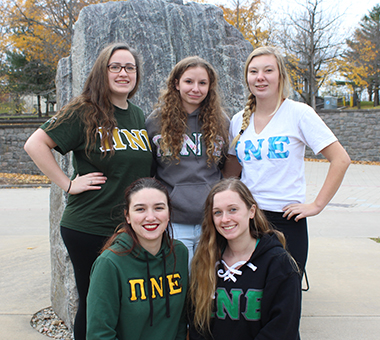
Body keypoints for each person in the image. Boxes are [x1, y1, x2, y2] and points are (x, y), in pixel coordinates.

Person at [23, 43, 152, 340]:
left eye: (129, 67)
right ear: (101, 71)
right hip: (90, 226)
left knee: (125, 302)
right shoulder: (85, 110)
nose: (123, 73)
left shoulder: (136, 115)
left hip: (128, 229)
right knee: (95, 302)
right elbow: (35, 144)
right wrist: (68, 183)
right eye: (115, 67)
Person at [224, 46, 351, 278]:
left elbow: (341, 159)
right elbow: (232, 172)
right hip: (248, 219)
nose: (260, 77)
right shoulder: (238, 120)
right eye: (253, 72)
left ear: (280, 75)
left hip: (286, 219)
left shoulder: (299, 113)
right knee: (248, 292)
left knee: (285, 294)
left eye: (268, 70)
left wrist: (316, 205)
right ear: (247, 79)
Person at [189, 178, 302, 340]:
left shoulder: (279, 263)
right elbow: (197, 325)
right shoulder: (206, 260)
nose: (225, 219)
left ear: (252, 211)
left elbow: (283, 328)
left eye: (233, 209)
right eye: (217, 212)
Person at [146, 56, 229, 265]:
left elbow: (226, 167)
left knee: (208, 282)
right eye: (189, 81)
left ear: (210, 87)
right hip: (174, 219)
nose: (196, 89)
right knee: (179, 282)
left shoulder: (221, 122)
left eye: (203, 83)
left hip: (211, 219)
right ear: (176, 83)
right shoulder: (156, 121)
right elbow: (150, 170)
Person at [86, 177, 189, 340]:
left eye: (159, 208)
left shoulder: (179, 253)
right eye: (140, 209)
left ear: (169, 213)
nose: (150, 217)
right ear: (127, 216)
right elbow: (99, 334)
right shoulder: (110, 263)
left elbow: (180, 324)